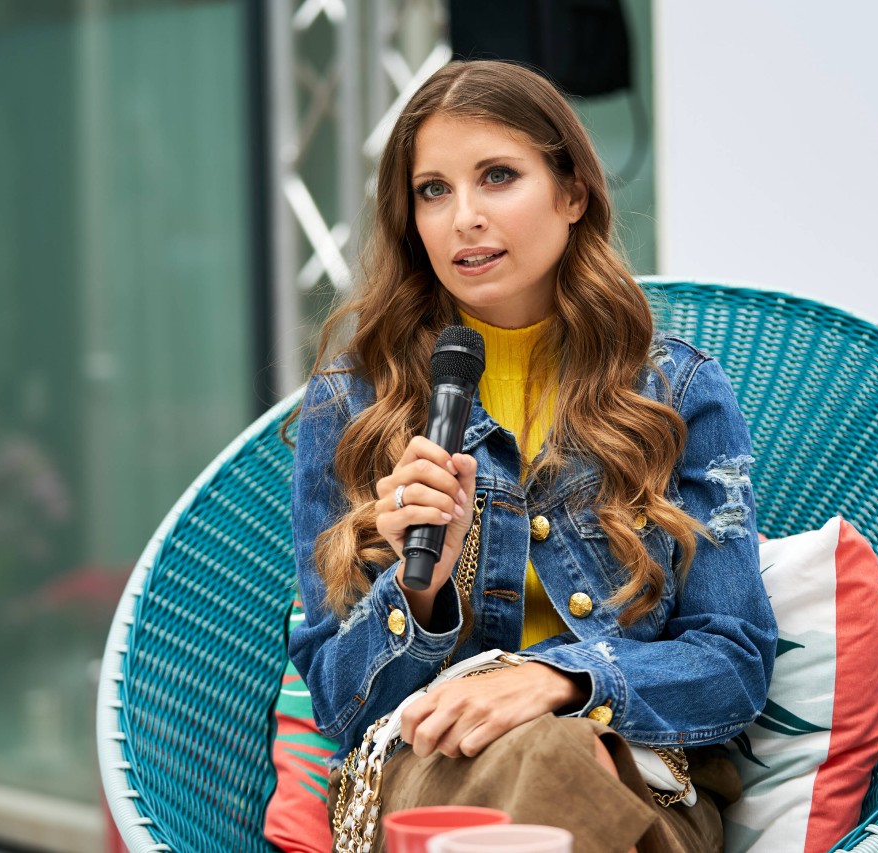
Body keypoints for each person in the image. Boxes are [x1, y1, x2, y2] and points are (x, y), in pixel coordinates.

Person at [285, 60, 777, 853]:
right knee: (547, 755)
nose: (464, 218)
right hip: (431, 777)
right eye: (433, 190)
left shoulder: (676, 392)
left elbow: (735, 659)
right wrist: (422, 594)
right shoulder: (354, 405)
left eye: (498, 176)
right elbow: (341, 707)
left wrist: (565, 682)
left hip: (634, 773)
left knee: (559, 748)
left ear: (572, 191)